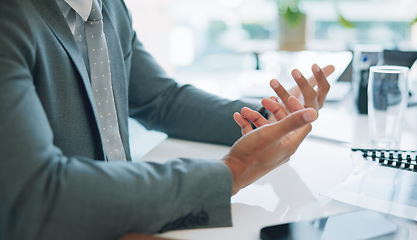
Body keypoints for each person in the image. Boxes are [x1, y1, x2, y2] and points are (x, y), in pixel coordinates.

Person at [0, 0, 334, 239]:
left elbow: (160, 98)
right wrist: (232, 171)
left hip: (132, 214)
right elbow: (35, 193)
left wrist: (272, 117)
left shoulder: (109, 7)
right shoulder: (11, 17)